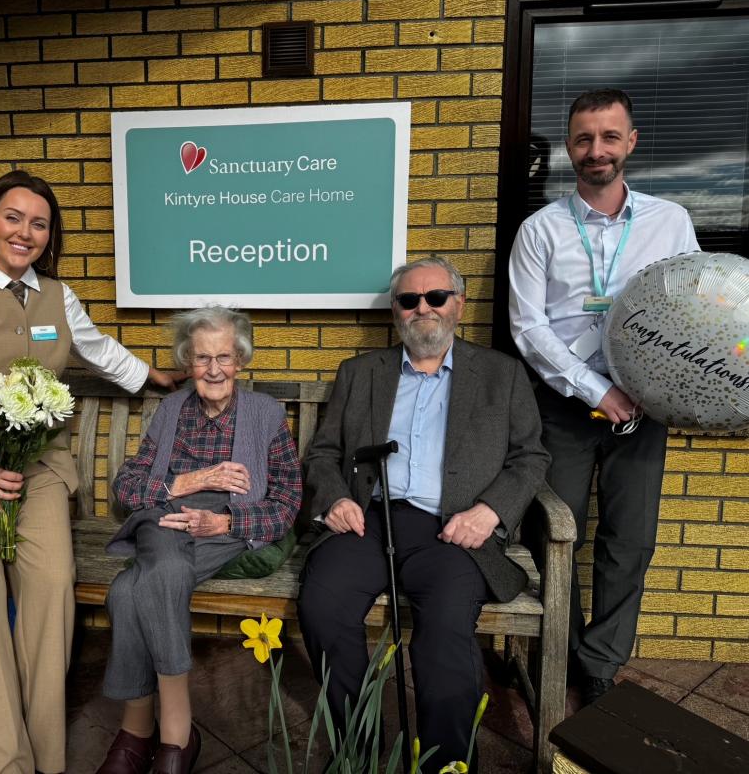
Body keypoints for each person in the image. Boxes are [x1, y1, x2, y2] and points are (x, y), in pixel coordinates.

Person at [0, 170, 181, 774]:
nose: (24, 232)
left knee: (54, 589)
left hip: (38, 469)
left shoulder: (57, 297)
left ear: (49, 234)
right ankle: (4, 764)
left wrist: (151, 377)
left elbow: (95, 347)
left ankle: (44, 756)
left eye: (39, 222)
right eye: (13, 217)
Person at [297, 257, 549, 772]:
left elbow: (531, 457)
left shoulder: (500, 375)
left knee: (445, 634)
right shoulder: (360, 373)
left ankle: (446, 764)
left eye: (436, 297)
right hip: (367, 521)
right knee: (323, 606)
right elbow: (323, 454)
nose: (423, 308)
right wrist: (336, 499)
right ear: (396, 310)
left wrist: (489, 511)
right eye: (409, 300)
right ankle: (358, 754)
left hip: (453, 530)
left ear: (458, 304)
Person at [508, 89, 700, 705]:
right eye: (584, 139)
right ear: (570, 147)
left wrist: (656, 386)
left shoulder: (669, 221)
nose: (597, 150)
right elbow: (529, 327)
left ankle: (599, 665)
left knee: (631, 537)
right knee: (557, 533)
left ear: (631, 142)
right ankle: (555, 654)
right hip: (563, 407)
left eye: (609, 137)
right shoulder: (540, 230)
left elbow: (693, 303)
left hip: (645, 408)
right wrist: (595, 389)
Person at [96, 306, 302, 774]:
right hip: (163, 518)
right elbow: (127, 487)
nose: (213, 370)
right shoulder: (170, 412)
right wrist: (180, 484)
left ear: (241, 361)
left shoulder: (266, 415)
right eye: (202, 358)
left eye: (224, 357)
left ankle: (136, 733)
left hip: (225, 529)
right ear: (187, 361)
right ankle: (177, 731)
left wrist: (227, 522)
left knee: (128, 590)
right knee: (164, 561)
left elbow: (288, 501)